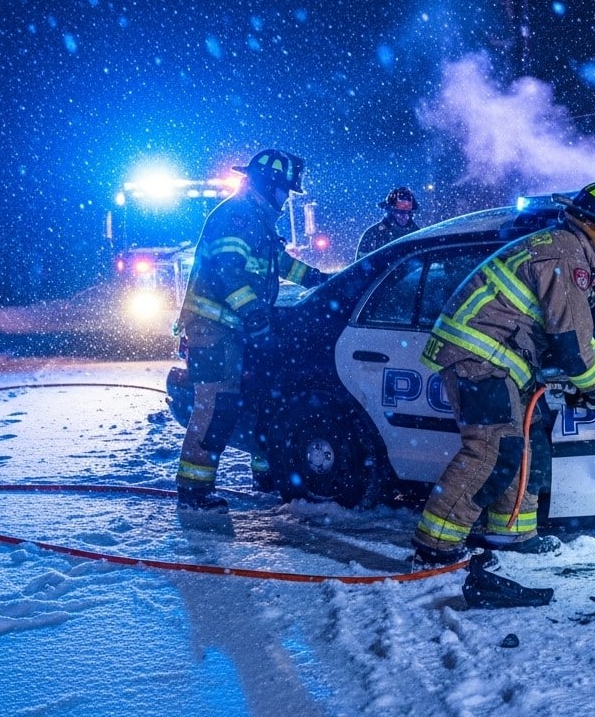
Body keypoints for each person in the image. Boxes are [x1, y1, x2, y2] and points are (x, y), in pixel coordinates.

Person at [410, 181, 595, 567]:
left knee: (526, 444)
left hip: (500, 363)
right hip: (480, 361)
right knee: (491, 450)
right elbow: (571, 347)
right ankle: (435, 545)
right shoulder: (566, 256)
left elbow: (578, 336)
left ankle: (511, 532)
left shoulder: (562, 248)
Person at [174, 149, 322, 511]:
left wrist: (319, 280)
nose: (286, 198)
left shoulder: (255, 218)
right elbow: (229, 270)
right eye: (284, 190)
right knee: (215, 408)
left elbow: (278, 264)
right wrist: (255, 315)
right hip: (213, 328)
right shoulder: (238, 216)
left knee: (249, 400)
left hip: (230, 328)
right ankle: (194, 491)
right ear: (268, 186)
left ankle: (262, 473)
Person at [356, 186, 421, 260]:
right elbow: (361, 267)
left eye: (409, 212)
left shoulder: (417, 235)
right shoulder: (374, 234)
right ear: (390, 211)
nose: (405, 216)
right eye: (400, 212)